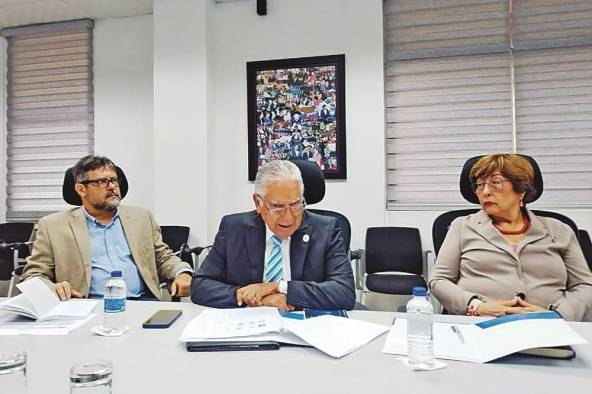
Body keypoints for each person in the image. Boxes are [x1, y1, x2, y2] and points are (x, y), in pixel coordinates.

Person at [429, 154, 592, 321]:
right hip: (479, 325)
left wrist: (556, 315)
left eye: (496, 183)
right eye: (480, 185)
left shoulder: (559, 229)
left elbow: (584, 285)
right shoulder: (461, 226)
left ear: (521, 188)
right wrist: (478, 307)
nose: (485, 192)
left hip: (549, 329)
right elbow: (439, 280)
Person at [20, 155, 193, 301]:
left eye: (114, 180)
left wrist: (182, 272)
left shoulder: (141, 217)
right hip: (85, 305)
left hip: (142, 302)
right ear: (81, 189)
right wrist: (51, 287)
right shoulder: (53, 225)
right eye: (102, 181)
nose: (112, 186)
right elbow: (34, 273)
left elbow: (162, 257)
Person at [191, 160, 355, 311]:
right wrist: (257, 299)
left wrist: (279, 287)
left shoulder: (327, 230)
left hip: (305, 326)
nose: (288, 217)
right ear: (258, 203)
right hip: (249, 327)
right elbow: (200, 286)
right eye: (277, 207)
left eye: (296, 204)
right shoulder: (234, 229)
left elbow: (344, 292)